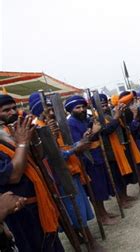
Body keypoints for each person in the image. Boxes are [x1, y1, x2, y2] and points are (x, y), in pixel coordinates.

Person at [28, 92, 104, 251]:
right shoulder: (38, 129)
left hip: (70, 171)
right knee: (74, 211)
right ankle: (90, 242)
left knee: (79, 209)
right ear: (38, 111)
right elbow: (50, 156)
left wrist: (80, 142)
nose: (51, 112)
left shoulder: (54, 124)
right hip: (59, 178)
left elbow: (64, 146)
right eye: (47, 109)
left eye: (51, 108)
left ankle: (84, 238)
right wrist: (75, 148)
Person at [0, 93, 64, 251]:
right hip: (20, 213)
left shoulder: (13, 132)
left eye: (14, 108)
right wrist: (22, 144)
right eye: (6, 110)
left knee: (52, 243)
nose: (12, 112)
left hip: (39, 203)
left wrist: (35, 139)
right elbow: (13, 176)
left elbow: (39, 157)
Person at [65, 95, 120, 225]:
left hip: (97, 156)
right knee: (95, 190)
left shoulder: (85, 119)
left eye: (83, 107)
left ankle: (104, 213)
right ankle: (101, 217)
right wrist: (95, 132)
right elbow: (81, 144)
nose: (82, 110)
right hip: (88, 160)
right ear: (71, 110)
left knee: (101, 187)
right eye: (78, 108)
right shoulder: (71, 123)